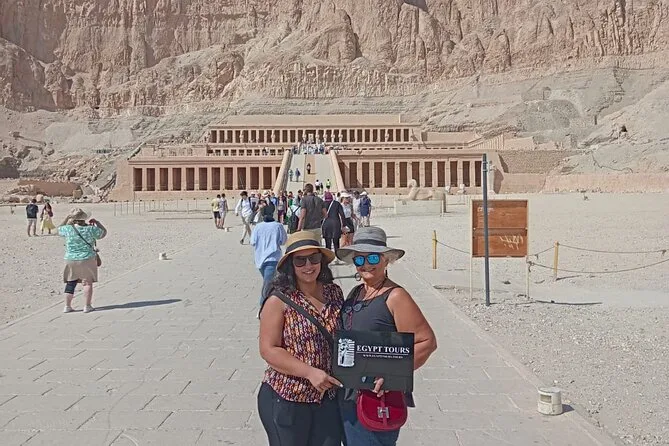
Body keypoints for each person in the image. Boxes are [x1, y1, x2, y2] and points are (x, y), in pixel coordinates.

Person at [336, 227, 437, 445]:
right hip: (349, 396)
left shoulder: (396, 296)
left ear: (386, 260)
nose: (366, 264)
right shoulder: (357, 292)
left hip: (376, 398)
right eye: (359, 259)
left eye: (373, 257)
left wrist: (391, 374)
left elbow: (426, 341)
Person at [258, 231, 344, 446]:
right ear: (291, 265)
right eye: (300, 260)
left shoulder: (334, 293)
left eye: (314, 258)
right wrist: (309, 372)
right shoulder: (278, 300)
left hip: (327, 396)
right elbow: (268, 349)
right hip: (288, 396)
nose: (308, 265)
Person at [58, 208, 108, 313]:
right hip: (87, 258)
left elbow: (59, 229)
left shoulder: (68, 229)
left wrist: (67, 218)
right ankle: (87, 306)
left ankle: (67, 306)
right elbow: (103, 233)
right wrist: (97, 223)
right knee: (87, 283)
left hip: (70, 258)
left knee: (70, 282)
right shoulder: (90, 229)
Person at [251, 212, 287, 314]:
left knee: (269, 283)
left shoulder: (258, 227)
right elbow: (283, 241)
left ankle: (270, 306)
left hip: (260, 259)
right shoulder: (278, 226)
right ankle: (263, 308)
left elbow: (252, 241)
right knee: (268, 284)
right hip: (272, 258)